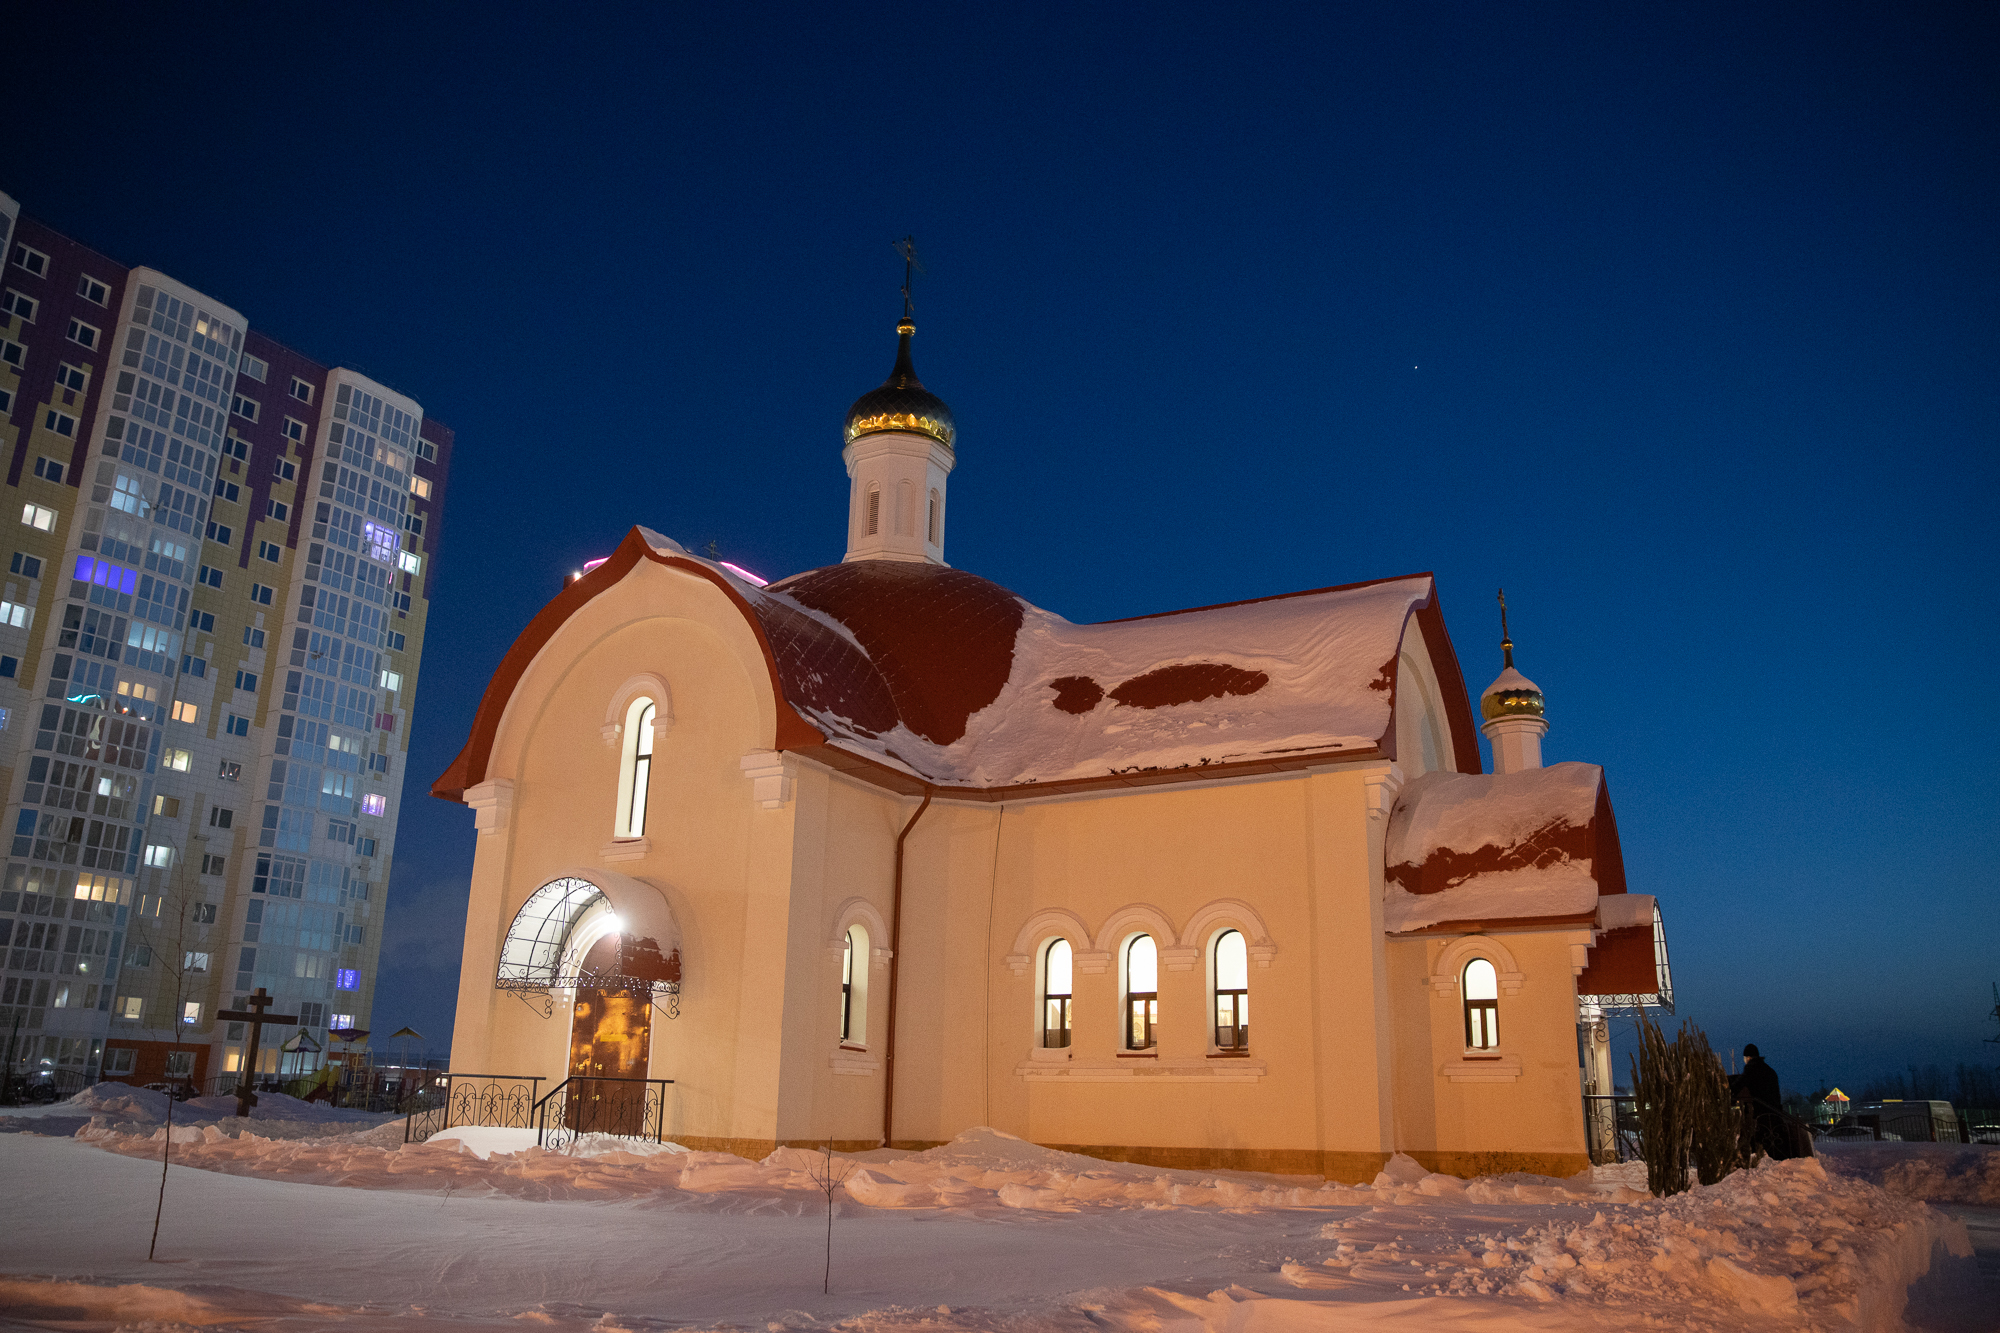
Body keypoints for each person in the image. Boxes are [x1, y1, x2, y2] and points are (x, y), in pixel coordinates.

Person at [1738, 1044, 1792, 1160]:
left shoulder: (1751, 1069)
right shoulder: (1769, 1070)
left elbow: (1739, 1084)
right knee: (1774, 1140)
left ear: (1748, 1057)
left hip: (1760, 1111)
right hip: (1774, 1111)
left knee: (1759, 1137)